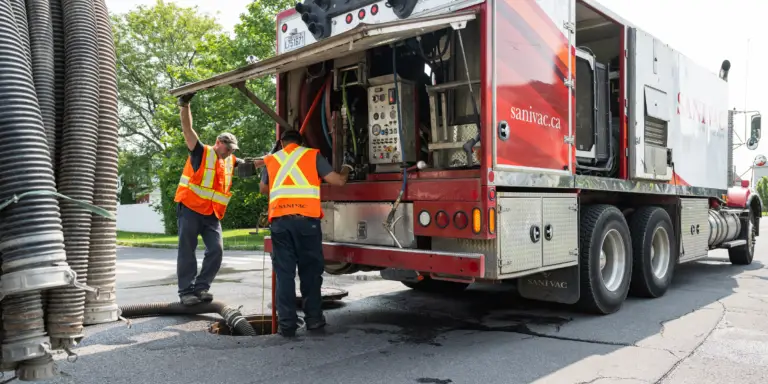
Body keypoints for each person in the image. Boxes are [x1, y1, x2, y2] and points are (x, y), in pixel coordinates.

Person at [259, 129, 352, 337]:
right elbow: (338, 181)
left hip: (281, 224)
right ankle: (314, 320)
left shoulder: (272, 160)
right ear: (300, 143)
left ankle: (287, 325)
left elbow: (263, 189)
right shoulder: (311, 155)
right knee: (310, 273)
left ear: (282, 142)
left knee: (284, 275)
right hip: (306, 224)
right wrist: (347, 167)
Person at [174, 92, 260, 306]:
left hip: (212, 214)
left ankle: (201, 288)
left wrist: (276, 156)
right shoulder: (201, 152)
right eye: (228, 148)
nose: (230, 152)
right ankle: (186, 292)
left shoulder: (230, 160)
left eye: (232, 150)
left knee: (217, 250)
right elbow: (188, 130)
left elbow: (252, 164)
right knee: (187, 250)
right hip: (190, 208)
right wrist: (185, 105)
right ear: (218, 143)